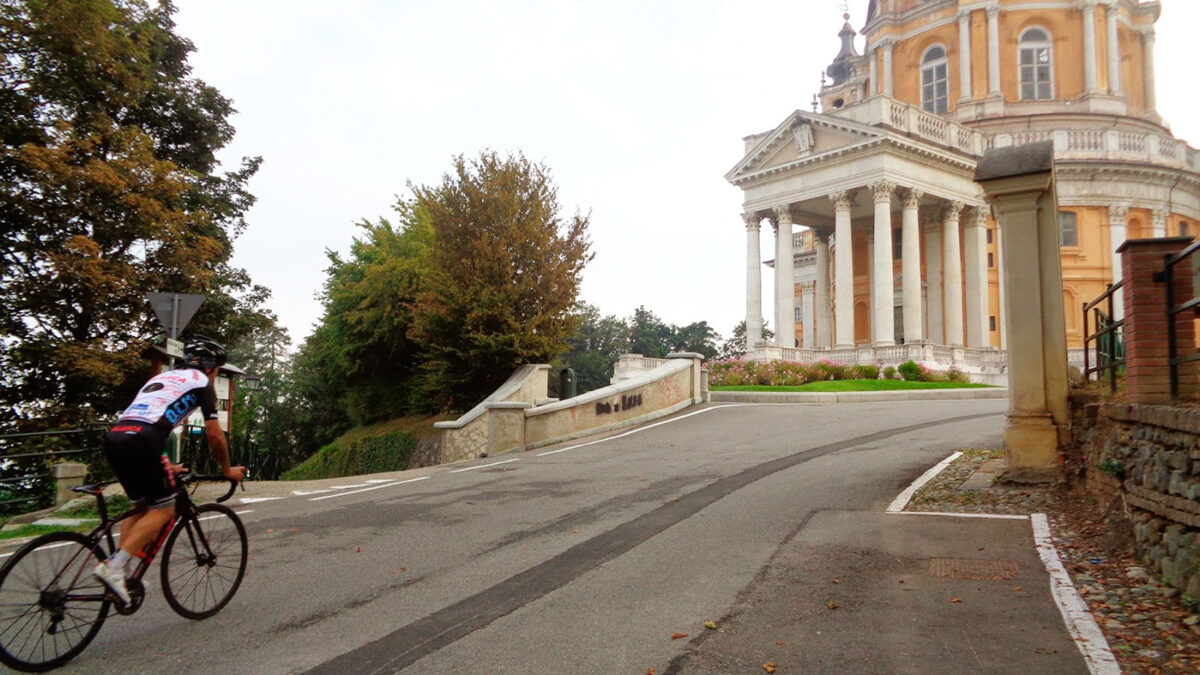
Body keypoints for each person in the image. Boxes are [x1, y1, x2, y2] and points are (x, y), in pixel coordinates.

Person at [92, 335, 246, 603]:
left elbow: (148, 420)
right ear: (210, 367)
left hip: (117, 437)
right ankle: (113, 568)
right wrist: (227, 469)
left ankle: (122, 572)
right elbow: (214, 435)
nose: (216, 375)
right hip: (143, 440)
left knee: (140, 505)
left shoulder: (160, 380)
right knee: (164, 509)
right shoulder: (201, 384)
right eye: (218, 369)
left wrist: (166, 464)